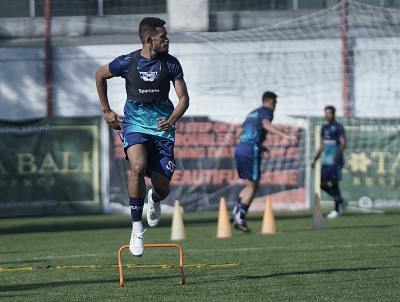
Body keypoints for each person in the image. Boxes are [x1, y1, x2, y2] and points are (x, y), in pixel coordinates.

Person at [95, 17, 189, 256]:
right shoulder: (128, 62)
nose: (167, 40)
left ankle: (155, 199)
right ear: (149, 40)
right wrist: (106, 110)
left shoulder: (172, 63)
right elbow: (99, 75)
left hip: (162, 126)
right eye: (163, 37)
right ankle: (137, 228)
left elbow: (184, 100)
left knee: (163, 187)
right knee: (137, 167)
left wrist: (172, 119)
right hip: (135, 122)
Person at [230, 91, 297, 232]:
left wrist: (256, 144)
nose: (275, 106)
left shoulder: (252, 113)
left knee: (248, 184)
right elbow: (266, 125)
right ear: (271, 102)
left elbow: (237, 134)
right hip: (250, 150)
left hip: (240, 147)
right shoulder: (267, 112)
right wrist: (285, 135)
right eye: (275, 104)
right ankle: (239, 218)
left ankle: (235, 212)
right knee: (253, 186)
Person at [311, 105, 348, 219]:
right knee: (322, 184)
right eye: (326, 113)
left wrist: (337, 155)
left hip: (335, 161)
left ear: (334, 114)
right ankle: (341, 200)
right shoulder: (324, 128)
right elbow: (322, 144)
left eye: (330, 113)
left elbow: (343, 143)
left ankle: (336, 210)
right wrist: (315, 158)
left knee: (334, 184)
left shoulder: (338, 127)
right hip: (326, 161)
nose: (328, 115)